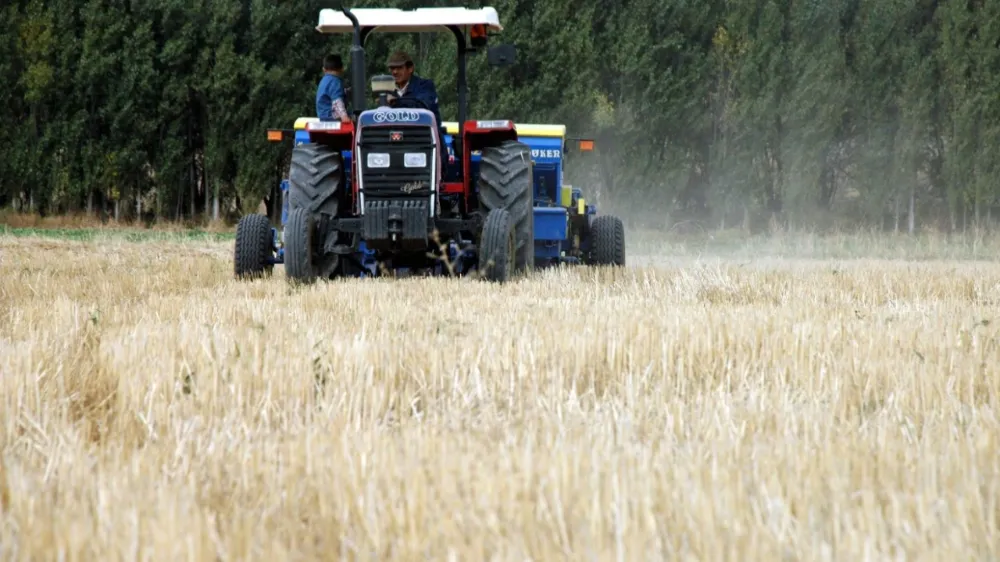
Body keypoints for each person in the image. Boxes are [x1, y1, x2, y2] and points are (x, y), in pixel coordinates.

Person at [385, 50, 442, 127]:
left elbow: (423, 107)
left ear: (410, 69)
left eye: (399, 68)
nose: (395, 72)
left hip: (423, 135)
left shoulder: (425, 86)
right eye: (392, 68)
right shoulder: (388, 90)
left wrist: (395, 102)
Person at [316, 54, 351, 122]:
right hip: (331, 118)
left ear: (324, 69)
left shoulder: (324, 80)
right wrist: (344, 116)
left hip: (323, 116)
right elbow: (337, 101)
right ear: (341, 69)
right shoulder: (335, 81)